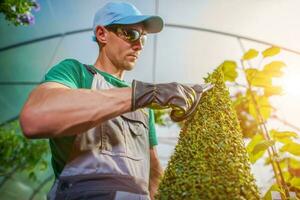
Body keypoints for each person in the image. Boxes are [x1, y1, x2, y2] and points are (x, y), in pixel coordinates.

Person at [19, 2, 212, 200]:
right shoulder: (75, 73)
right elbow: (34, 118)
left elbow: (153, 173)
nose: (139, 45)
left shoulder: (144, 105)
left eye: (143, 38)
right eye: (131, 34)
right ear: (102, 34)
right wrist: (147, 94)